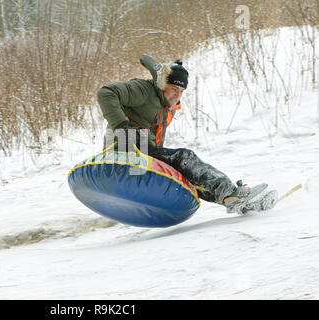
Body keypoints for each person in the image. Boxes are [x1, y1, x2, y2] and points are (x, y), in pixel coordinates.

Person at [97, 54, 266, 214]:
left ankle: (230, 198)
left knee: (185, 173)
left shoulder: (165, 105)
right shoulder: (143, 90)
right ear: (163, 84)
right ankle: (231, 193)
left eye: (182, 91)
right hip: (126, 149)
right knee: (183, 157)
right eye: (173, 88)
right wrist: (122, 126)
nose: (177, 95)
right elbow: (106, 93)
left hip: (144, 151)